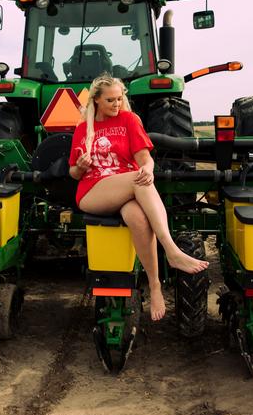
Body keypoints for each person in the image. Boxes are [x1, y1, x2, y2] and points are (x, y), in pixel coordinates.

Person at [68, 73, 209, 322]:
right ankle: (171, 250)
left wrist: (148, 169)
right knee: (137, 179)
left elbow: (145, 159)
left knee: (139, 218)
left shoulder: (130, 120)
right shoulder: (83, 128)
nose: (117, 104)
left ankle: (154, 286)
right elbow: (74, 173)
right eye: (110, 100)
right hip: (93, 191)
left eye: (120, 99)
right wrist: (81, 165)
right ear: (97, 101)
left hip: (127, 189)